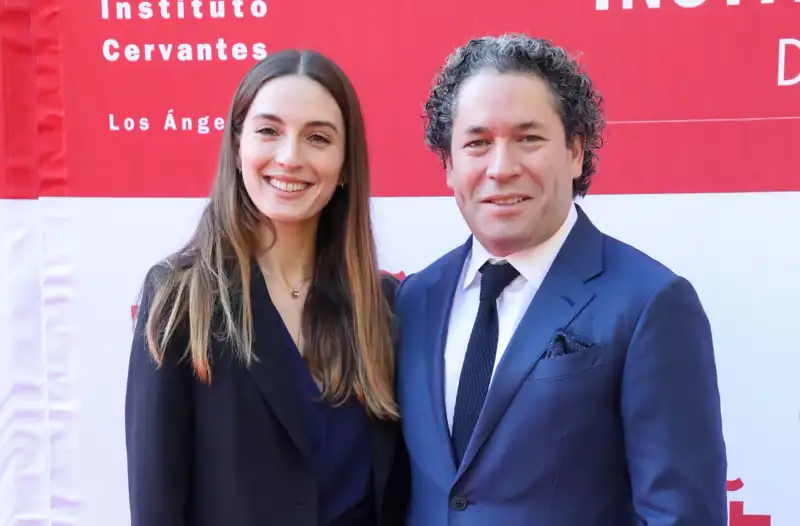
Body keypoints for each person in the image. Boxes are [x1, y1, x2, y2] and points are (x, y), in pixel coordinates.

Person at [394, 34, 727, 525]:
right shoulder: (415, 298)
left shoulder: (648, 303)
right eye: (477, 143)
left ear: (575, 150)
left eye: (528, 138)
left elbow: (681, 516)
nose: (501, 168)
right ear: (448, 163)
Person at [125, 49, 408, 526]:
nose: (290, 157)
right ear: (237, 148)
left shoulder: (384, 307)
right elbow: (157, 505)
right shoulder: (180, 298)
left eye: (318, 137)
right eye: (268, 131)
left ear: (344, 165)